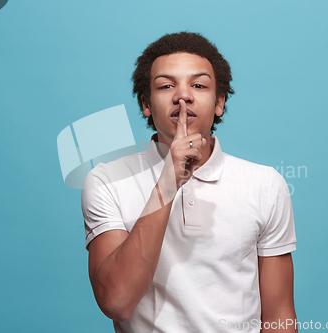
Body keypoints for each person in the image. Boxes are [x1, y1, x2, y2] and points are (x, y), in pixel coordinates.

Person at [82, 32, 297, 332]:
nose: (183, 95)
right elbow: (116, 302)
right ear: (146, 103)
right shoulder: (106, 180)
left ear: (219, 102)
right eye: (166, 85)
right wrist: (168, 181)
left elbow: (279, 317)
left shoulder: (265, 184)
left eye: (198, 85)